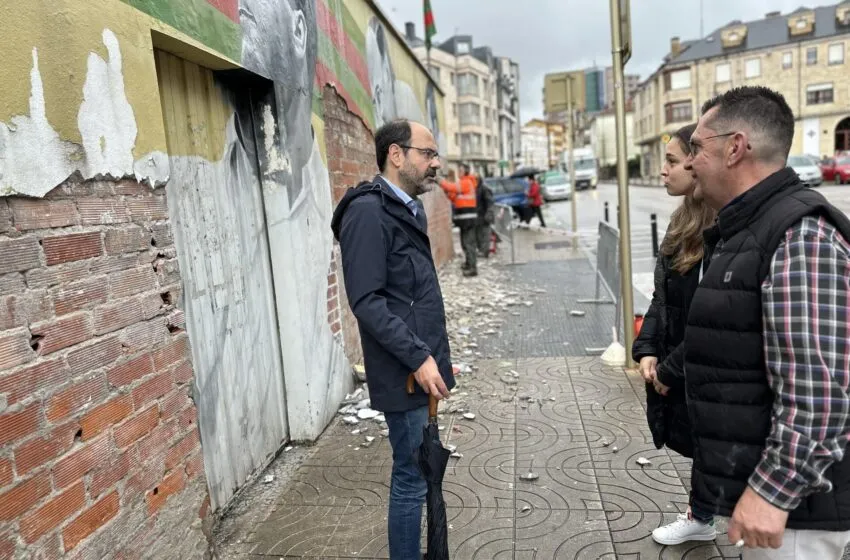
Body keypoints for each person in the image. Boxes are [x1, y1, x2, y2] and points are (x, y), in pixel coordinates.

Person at [683, 86, 850, 558]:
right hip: (777, 501)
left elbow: (818, 390)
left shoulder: (800, 235)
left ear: (735, 148)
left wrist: (773, 491)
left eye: (697, 146)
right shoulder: (750, 227)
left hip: (796, 514)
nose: (691, 160)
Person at [331, 119, 455, 560]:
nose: (436, 163)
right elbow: (367, 300)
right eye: (428, 153)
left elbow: (410, 295)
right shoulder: (368, 212)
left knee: (419, 470)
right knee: (411, 475)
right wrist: (419, 358)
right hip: (404, 370)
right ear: (396, 155)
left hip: (420, 366)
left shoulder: (405, 207)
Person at [631, 123, 717, 545]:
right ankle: (702, 515)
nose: (662, 171)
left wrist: (669, 367)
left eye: (670, 160)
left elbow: (713, 318)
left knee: (716, 441)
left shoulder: (723, 227)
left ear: (697, 162)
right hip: (686, 363)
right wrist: (646, 348)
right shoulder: (683, 220)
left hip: (708, 364)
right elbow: (662, 299)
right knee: (704, 442)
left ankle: (707, 515)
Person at [440, 164, 479, 276]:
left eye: (460, 170)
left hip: (468, 219)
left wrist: (440, 181)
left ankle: (472, 268)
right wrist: (446, 190)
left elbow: (452, 188)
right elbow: (453, 196)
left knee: (469, 243)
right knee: (464, 243)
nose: (459, 172)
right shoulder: (463, 183)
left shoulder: (466, 182)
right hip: (464, 219)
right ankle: (468, 263)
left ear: (465, 172)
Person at [475, 174, 495, 259]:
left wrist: (489, 213)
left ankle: (485, 251)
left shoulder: (484, 189)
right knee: (479, 234)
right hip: (479, 216)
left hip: (484, 215)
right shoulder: (477, 188)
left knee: (485, 234)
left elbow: (489, 202)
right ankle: (481, 250)